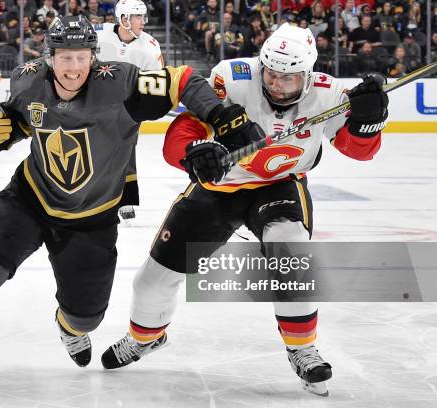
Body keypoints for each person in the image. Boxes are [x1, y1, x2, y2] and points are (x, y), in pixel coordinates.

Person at [0, 15, 245, 392]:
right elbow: (22, 121)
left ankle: (68, 323)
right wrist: (0, 131)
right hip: (29, 199)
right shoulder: (27, 78)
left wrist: (220, 116)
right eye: (64, 58)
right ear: (49, 58)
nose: (73, 68)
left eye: (81, 57)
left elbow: (184, 80)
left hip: (93, 217)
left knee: (86, 319)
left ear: (93, 56)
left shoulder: (122, 82)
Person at [101, 23, 388, 397]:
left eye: (289, 78)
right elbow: (182, 135)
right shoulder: (230, 78)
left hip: (280, 185)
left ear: (308, 73)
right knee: (151, 282)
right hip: (219, 188)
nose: (277, 85)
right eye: (271, 73)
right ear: (260, 63)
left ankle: (302, 347)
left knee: (291, 247)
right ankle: (146, 336)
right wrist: (194, 155)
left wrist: (368, 124)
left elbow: (359, 150)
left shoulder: (329, 92)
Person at [95, 0, 163, 221]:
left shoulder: (150, 46)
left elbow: (157, 80)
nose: (143, 22)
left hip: (129, 107)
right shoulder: (99, 35)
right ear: (123, 19)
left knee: (125, 149)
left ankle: (125, 198)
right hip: (96, 103)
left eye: (143, 16)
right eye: (138, 17)